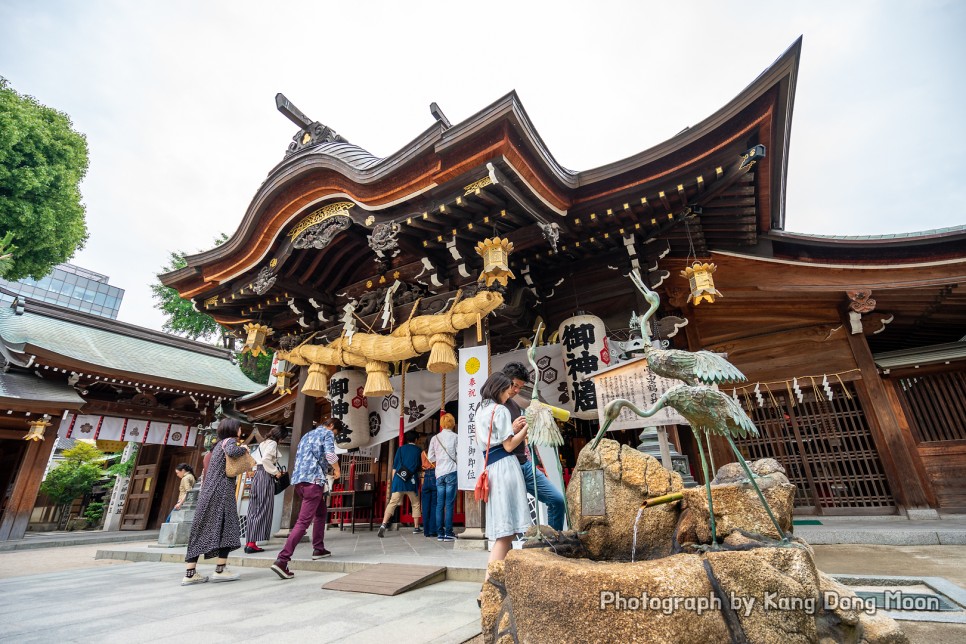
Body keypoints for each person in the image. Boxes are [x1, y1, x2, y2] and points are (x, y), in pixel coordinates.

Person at [477, 372, 531, 604]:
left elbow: (495, 440)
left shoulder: (480, 411)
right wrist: (527, 428)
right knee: (505, 532)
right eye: (508, 388)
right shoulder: (499, 410)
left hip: (491, 467)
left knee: (504, 530)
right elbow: (509, 445)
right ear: (499, 388)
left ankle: (497, 584)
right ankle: (488, 588)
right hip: (506, 467)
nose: (510, 392)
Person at [270, 418, 341, 580]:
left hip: (299, 482)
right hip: (313, 482)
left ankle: (319, 548)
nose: (334, 435)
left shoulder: (307, 435)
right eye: (335, 432)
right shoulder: (327, 434)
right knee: (303, 522)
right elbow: (330, 455)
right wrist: (337, 470)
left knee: (321, 512)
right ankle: (282, 559)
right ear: (331, 426)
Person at [181, 418, 248, 586]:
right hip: (222, 490)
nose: (241, 430)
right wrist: (244, 448)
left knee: (201, 528)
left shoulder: (217, 445)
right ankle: (220, 569)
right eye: (239, 428)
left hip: (207, 492)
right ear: (234, 429)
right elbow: (233, 451)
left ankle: (190, 572)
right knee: (228, 526)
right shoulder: (230, 441)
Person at [502, 361, 567, 531]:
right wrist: (513, 429)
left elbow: (523, 440)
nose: (516, 390)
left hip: (525, 464)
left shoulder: (515, 406)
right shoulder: (492, 407)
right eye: (514, 385)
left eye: (520, 387)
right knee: (508, 519)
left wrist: (533, 461)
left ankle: (553, 542)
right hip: (506, 465)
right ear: (503, 380)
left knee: (557, 500)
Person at [244, 425, 287, 553]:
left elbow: (254, 459)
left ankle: (249, 542)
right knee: (262, 507)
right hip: (265, 475)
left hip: (257, 475)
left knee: (254, 508)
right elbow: (266, 459)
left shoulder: (263, 443)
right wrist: (276, 472)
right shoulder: (273, 443)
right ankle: (252, 544)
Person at [377, 430, 422, 537]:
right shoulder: (418, 450)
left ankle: (383, 524)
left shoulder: (400, 449)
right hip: (411, 481)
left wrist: (394, 482)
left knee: (392, 503)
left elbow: (394, 467)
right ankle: (416, 527)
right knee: (415, 504)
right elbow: (419, 467)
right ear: (416, 439)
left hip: (399, 480)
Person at [428, 412, 458, 541]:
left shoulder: (435, 438)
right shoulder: (456, 437)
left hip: (439, 473)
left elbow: (430, 457)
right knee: (449, 504)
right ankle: (449, 532)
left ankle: (440, 533)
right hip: (451, 471)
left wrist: (439, 462)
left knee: (440, 504)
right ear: (453, 423)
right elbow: (459, 455)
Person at [419, 436, 437, 538]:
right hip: (434, 475)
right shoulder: (436, 453)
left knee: (425, 506)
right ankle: (433, 530)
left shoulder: (423, 453)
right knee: (434, 504)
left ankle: (426, 531)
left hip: (426, 477)